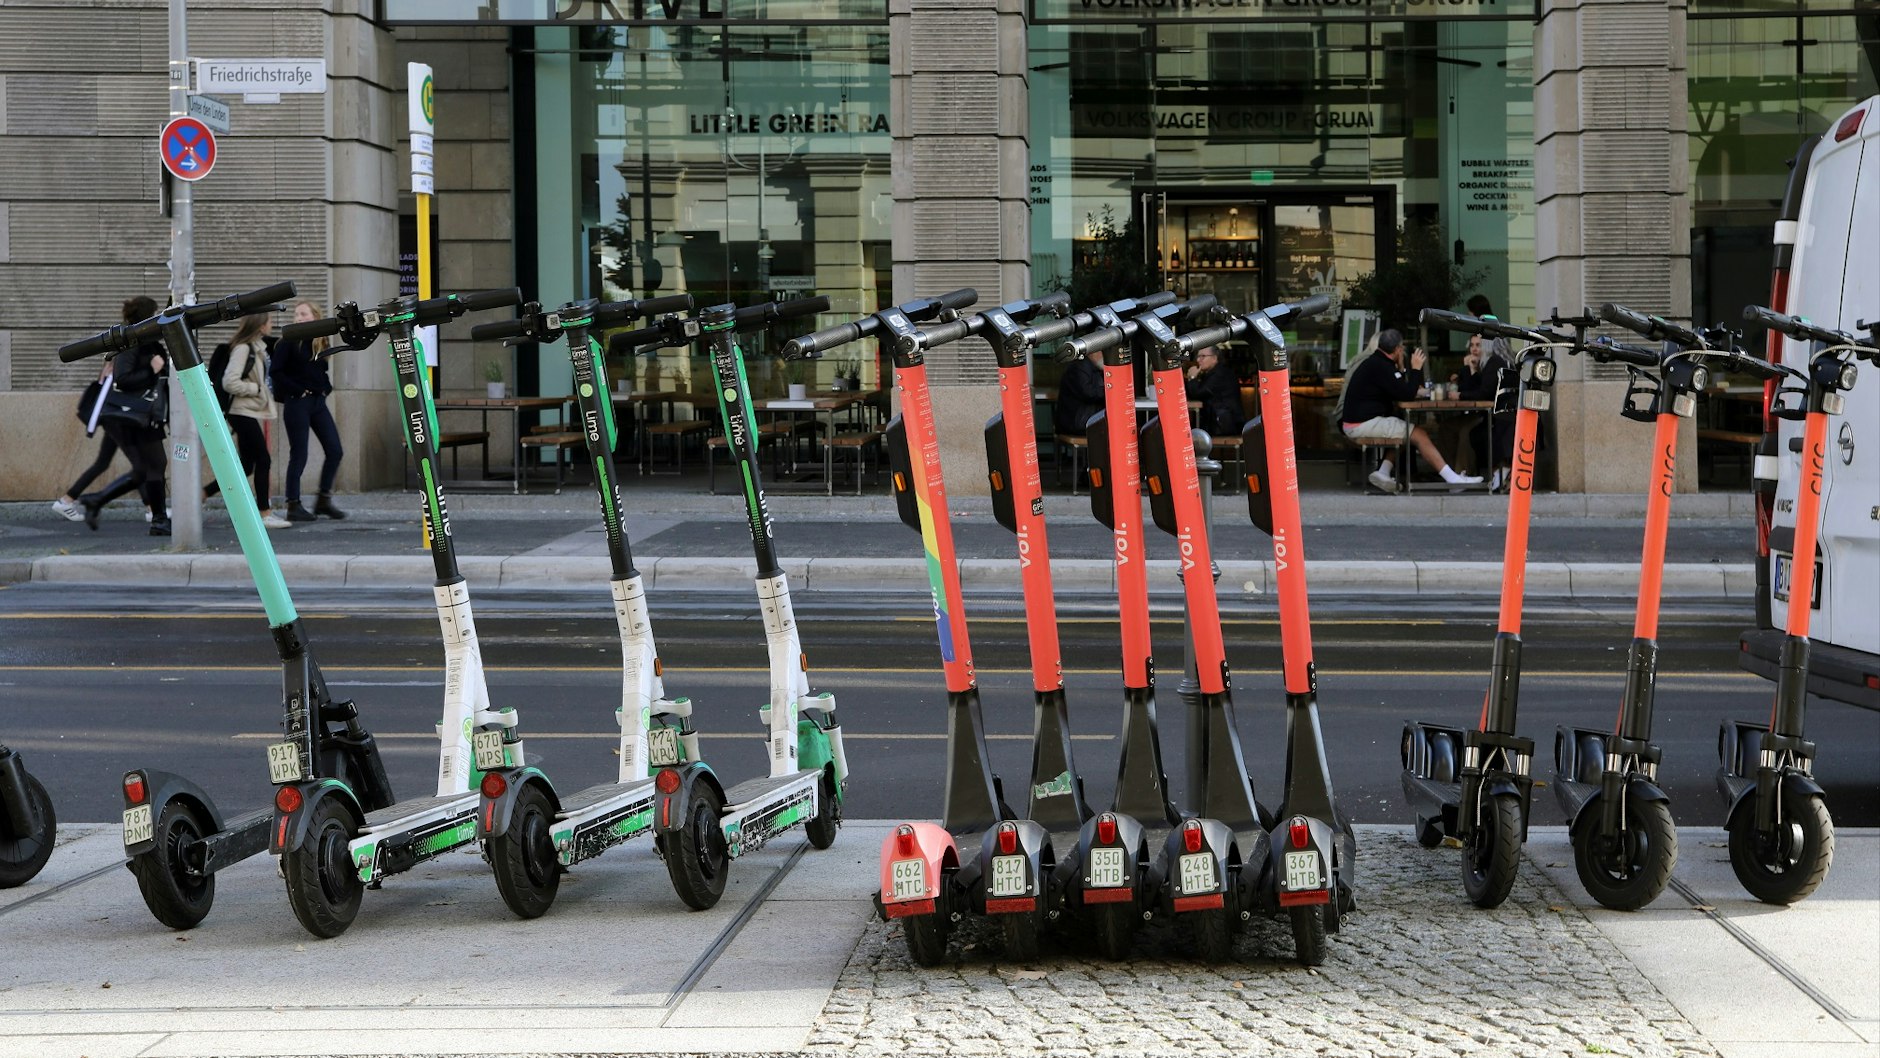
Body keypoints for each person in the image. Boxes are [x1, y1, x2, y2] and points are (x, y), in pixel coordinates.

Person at [1340, 328, 1483, 493]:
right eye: (1401, 348)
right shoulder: (1381, 366)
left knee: (1405, 428)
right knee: (1418, 434)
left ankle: (1383, 471)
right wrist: (1415, 368)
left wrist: (1402, 368)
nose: (1403, 351)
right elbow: (1406, 394)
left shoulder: (1377, 362)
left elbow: (1400, 388)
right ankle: (1453, 480)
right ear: (1397, 349)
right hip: (1360, 424)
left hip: (1356, 422)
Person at [86, 296, 172, 535]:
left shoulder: (148, 341)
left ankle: (97, 500)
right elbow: (122, 379)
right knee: (156, 465)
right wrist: (151, 370)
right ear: (146, 315)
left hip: (149, 413)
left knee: (144, 469)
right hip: (137, 415)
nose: (157, 316)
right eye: (154, 313)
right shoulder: (131, 342)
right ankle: (159, 520)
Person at [271, 299, 347, 521]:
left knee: (335, 450)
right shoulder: (288, 341)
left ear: (315, 316)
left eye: (304, 314)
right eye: (297, 314)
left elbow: (320, 371)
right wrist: (298, 390)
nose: (299, 318)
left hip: (317, 403)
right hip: (298, 403)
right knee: (299, 454)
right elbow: (276, 372)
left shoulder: (320, 341)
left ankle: (323, 500)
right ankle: (293, 504)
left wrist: (326, 388)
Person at [222, 312, 293, 530]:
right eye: (269, 321)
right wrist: (256, 389)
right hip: (240, 411)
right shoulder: (244, 349)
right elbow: (229, 381)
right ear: (260, 326)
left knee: (246, 465)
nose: (272, 324)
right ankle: (264, 513)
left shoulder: (257, 347)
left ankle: (204, 494)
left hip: (248, 410)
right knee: (263, 459)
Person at [1458, 333, 1517, 492]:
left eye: (1479, 345)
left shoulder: (1494, 362)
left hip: (1500, 419)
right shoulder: (1494, 362)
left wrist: (1460, 395)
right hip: (1500, 417)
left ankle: (1466, 474)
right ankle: (1460, 474)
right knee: (1456, 429)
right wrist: (1471, 369)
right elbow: (1473, 389)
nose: (1475, 349)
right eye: (1472, 345)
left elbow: (1483, 392)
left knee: (1467, 432)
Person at [1185, 345, 1244, 437]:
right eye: (1198, 356)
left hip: (1222, 425)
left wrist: (1192, 377)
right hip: (1220, 423)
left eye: (1203, 356)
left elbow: (1197, 393)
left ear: (1214, 358)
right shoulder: (1214, 373)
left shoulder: (1220, 374)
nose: (1198, 360)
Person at [1054, 345, 1105, 437]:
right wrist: (1110, 389)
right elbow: (1089, 393)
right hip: (1077, 422)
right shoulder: (1079, 368)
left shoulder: (1093, 368)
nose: (1104, 356)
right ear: (1092, 353)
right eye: (1102, 352)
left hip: (1084, 419)